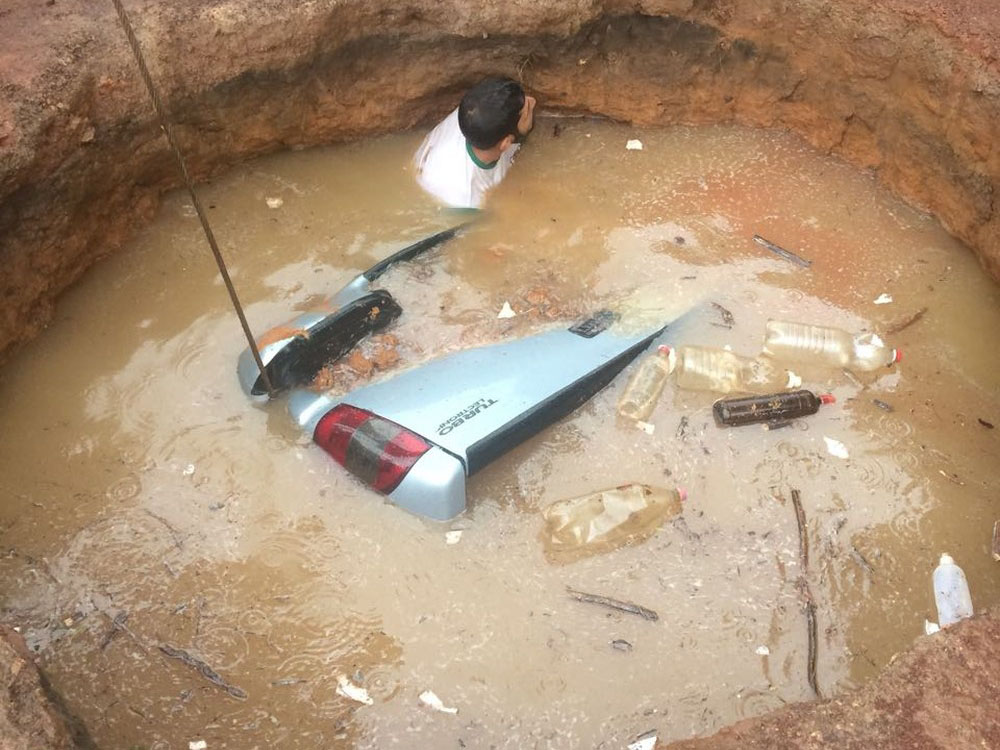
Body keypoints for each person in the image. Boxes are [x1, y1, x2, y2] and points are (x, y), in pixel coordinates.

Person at [413, 77, 536, 210]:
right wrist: (524, 133)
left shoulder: (471, 114)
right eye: (527, 108)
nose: (533, 102)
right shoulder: (469, 199)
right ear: (506, 143)